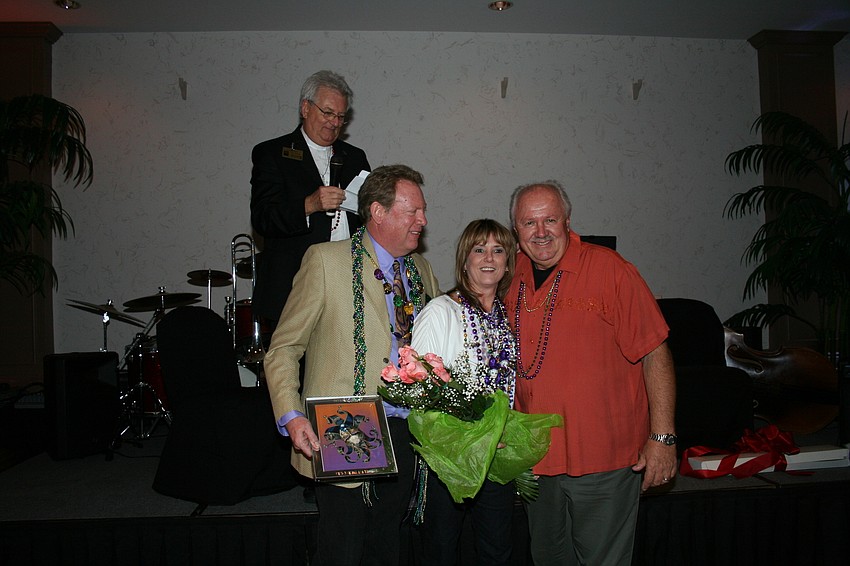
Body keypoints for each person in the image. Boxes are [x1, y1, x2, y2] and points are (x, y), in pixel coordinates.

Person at [263, 164, 440, 566]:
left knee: (386, 544)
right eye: (413, 211)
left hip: (408, 428)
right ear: (378, 212)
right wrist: (291, 416)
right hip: (344, 425)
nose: (423, 221)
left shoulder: (422, 270)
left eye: (423, 211)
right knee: (342, 548)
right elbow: (284, 348)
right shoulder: (326, 261)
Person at [505, 181, 677, 566]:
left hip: (605, 459)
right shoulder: (507, 275)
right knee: (548, 558)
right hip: (537, 460)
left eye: (550, 219)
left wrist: (662, 437)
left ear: (568, 220)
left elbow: (655, 352)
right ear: (516, 230)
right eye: (529, 223)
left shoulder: (610, 270)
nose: (541, 232)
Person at [410, 219, 518, 566]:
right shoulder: (440, 311)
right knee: (442, 551)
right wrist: (472, 437)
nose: (489, 257)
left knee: (497, 551)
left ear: (508, 261)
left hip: (497, 458)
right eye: (479, 249)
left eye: (498, 250)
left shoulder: (505, 317)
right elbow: (420, 391)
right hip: (448, 461)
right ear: (465, 259)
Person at [250, 70, 371, 327]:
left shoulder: (355, 157)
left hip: (346, 286)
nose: (334, 123)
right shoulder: (272, 153)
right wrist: (309, 205)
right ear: (305, 108)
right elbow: (263, 219)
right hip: (292, 288)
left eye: (341, 117)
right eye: (327, 113)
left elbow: (367, 218)